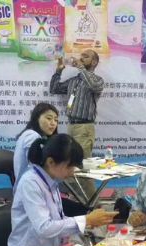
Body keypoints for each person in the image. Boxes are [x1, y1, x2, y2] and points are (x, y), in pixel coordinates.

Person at [49, 49, 104, 198]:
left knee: (82, 167)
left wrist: (80, 67)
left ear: (94, 62)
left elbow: (93, 85)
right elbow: (54, 89)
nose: (81, 58)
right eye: (81, 56)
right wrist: (59, 70)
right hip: (71, 126)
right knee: (72, 166)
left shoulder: (97, 80)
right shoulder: (74, 80)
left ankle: (92, 204)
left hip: (84, 128)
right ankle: (77, 201)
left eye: (86, 56)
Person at [14, 102, 59, 183]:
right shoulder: (32, 136)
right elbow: (37, 168)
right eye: (49, 118)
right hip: (30, 187)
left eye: (56, 120)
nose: (53, 123)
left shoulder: (40, 136)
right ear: (37, 118)